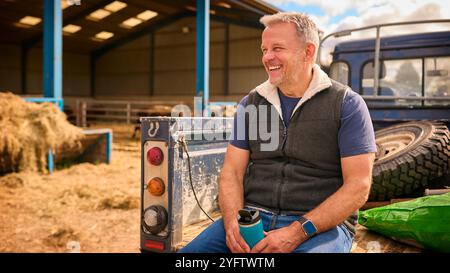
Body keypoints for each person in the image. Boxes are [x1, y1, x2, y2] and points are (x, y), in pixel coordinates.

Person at [178, 12, 376, 253]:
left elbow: (358, 185)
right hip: (253, 219)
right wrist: (232, 222)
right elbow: (232, 172)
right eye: (264, 49)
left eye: (277, 48)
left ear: (308, 52)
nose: (267, 57)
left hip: (319, 228)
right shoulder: (251, 103)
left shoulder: (346, 104)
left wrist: (297, 232)